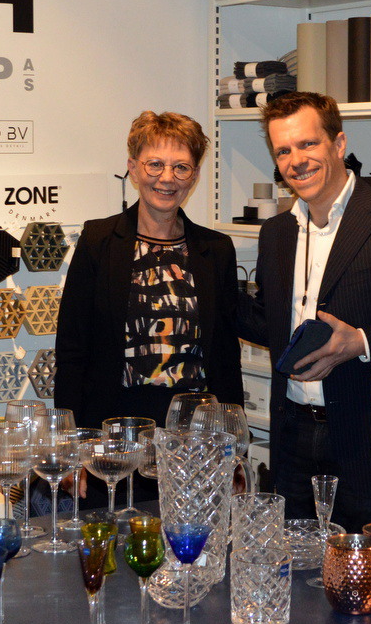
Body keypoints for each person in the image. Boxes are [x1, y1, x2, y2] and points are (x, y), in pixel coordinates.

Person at [238, 91, 371, 531]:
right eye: (283, 151)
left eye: (308, 144)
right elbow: (272, 326)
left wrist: (362, 342)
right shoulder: (276, 232)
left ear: (339, 143)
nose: (296, 161)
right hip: (292, 440)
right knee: (300, 565)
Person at [54, 110, 243, 435]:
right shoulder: (98, 241)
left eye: (181, 167)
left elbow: (226, 356)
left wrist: (234, 436)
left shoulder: (216, 249)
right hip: (113, 427)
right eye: (155, 164)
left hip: (195, 432)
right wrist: (70, 437)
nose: (167, 178)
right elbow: (72, 350)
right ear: (133, 168)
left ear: (195, 175)